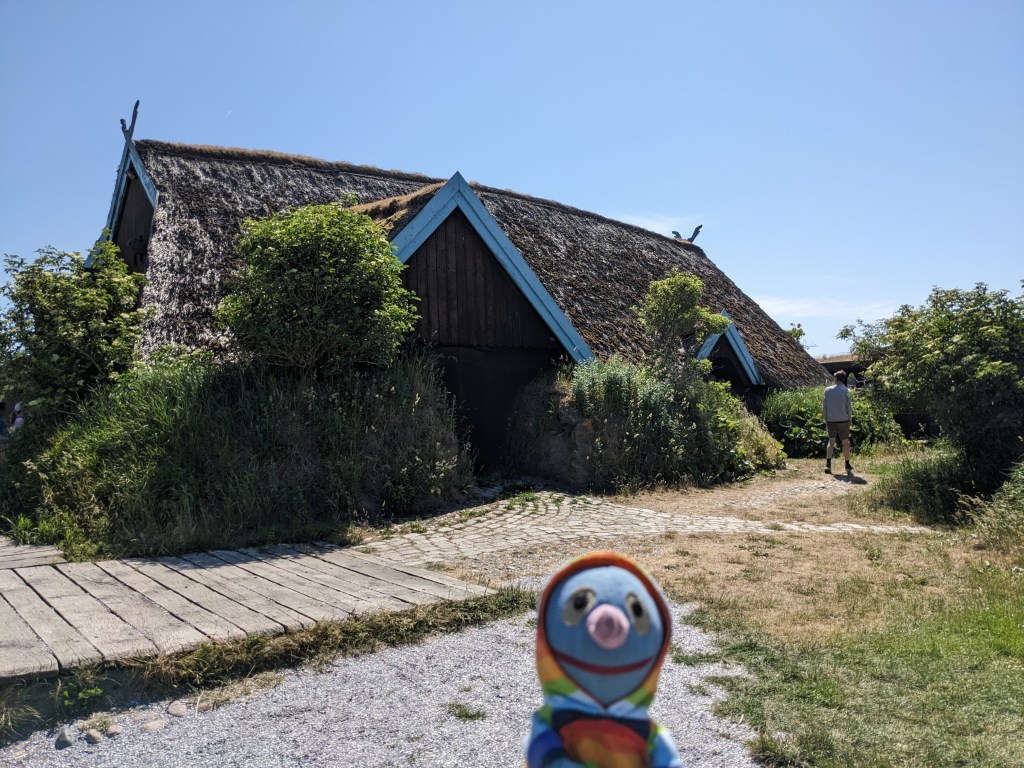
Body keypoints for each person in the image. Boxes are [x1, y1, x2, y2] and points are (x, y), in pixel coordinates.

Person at [822, 370, 853, 474]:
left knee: (831, 441)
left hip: (831, 419)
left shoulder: (828, 390)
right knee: (845, 442)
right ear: (844, 379)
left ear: (835, 378)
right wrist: (850, 419)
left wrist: (825, 418)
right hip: (843, 419)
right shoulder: (847, 391)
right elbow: (849, 407)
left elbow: (824, 406)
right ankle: (847, 464)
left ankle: (828, 464)